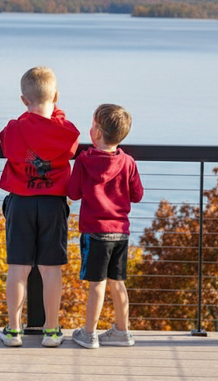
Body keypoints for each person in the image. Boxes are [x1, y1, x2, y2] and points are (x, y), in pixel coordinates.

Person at [0, 66, 80, 347]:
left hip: (20, 203)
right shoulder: (66, 131)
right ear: (56, 95)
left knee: (18, 268)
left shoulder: (14, 128)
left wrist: (26, 117)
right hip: (52, 204)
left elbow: (7, 146)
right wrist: (56, 115)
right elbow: (68, 144)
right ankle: (52, 330)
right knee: (51, 269)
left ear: (24, 100)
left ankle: (13, 329)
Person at [67, 104, 143, 349]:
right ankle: (123, 331)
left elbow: (73, 193)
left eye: (92, 125)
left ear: (97, 133)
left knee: (96, 285)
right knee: (117, 283)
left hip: (95, 232)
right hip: (120, 232)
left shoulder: (83, 161)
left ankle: (89, 333)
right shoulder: (128, 162)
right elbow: (137, 195)